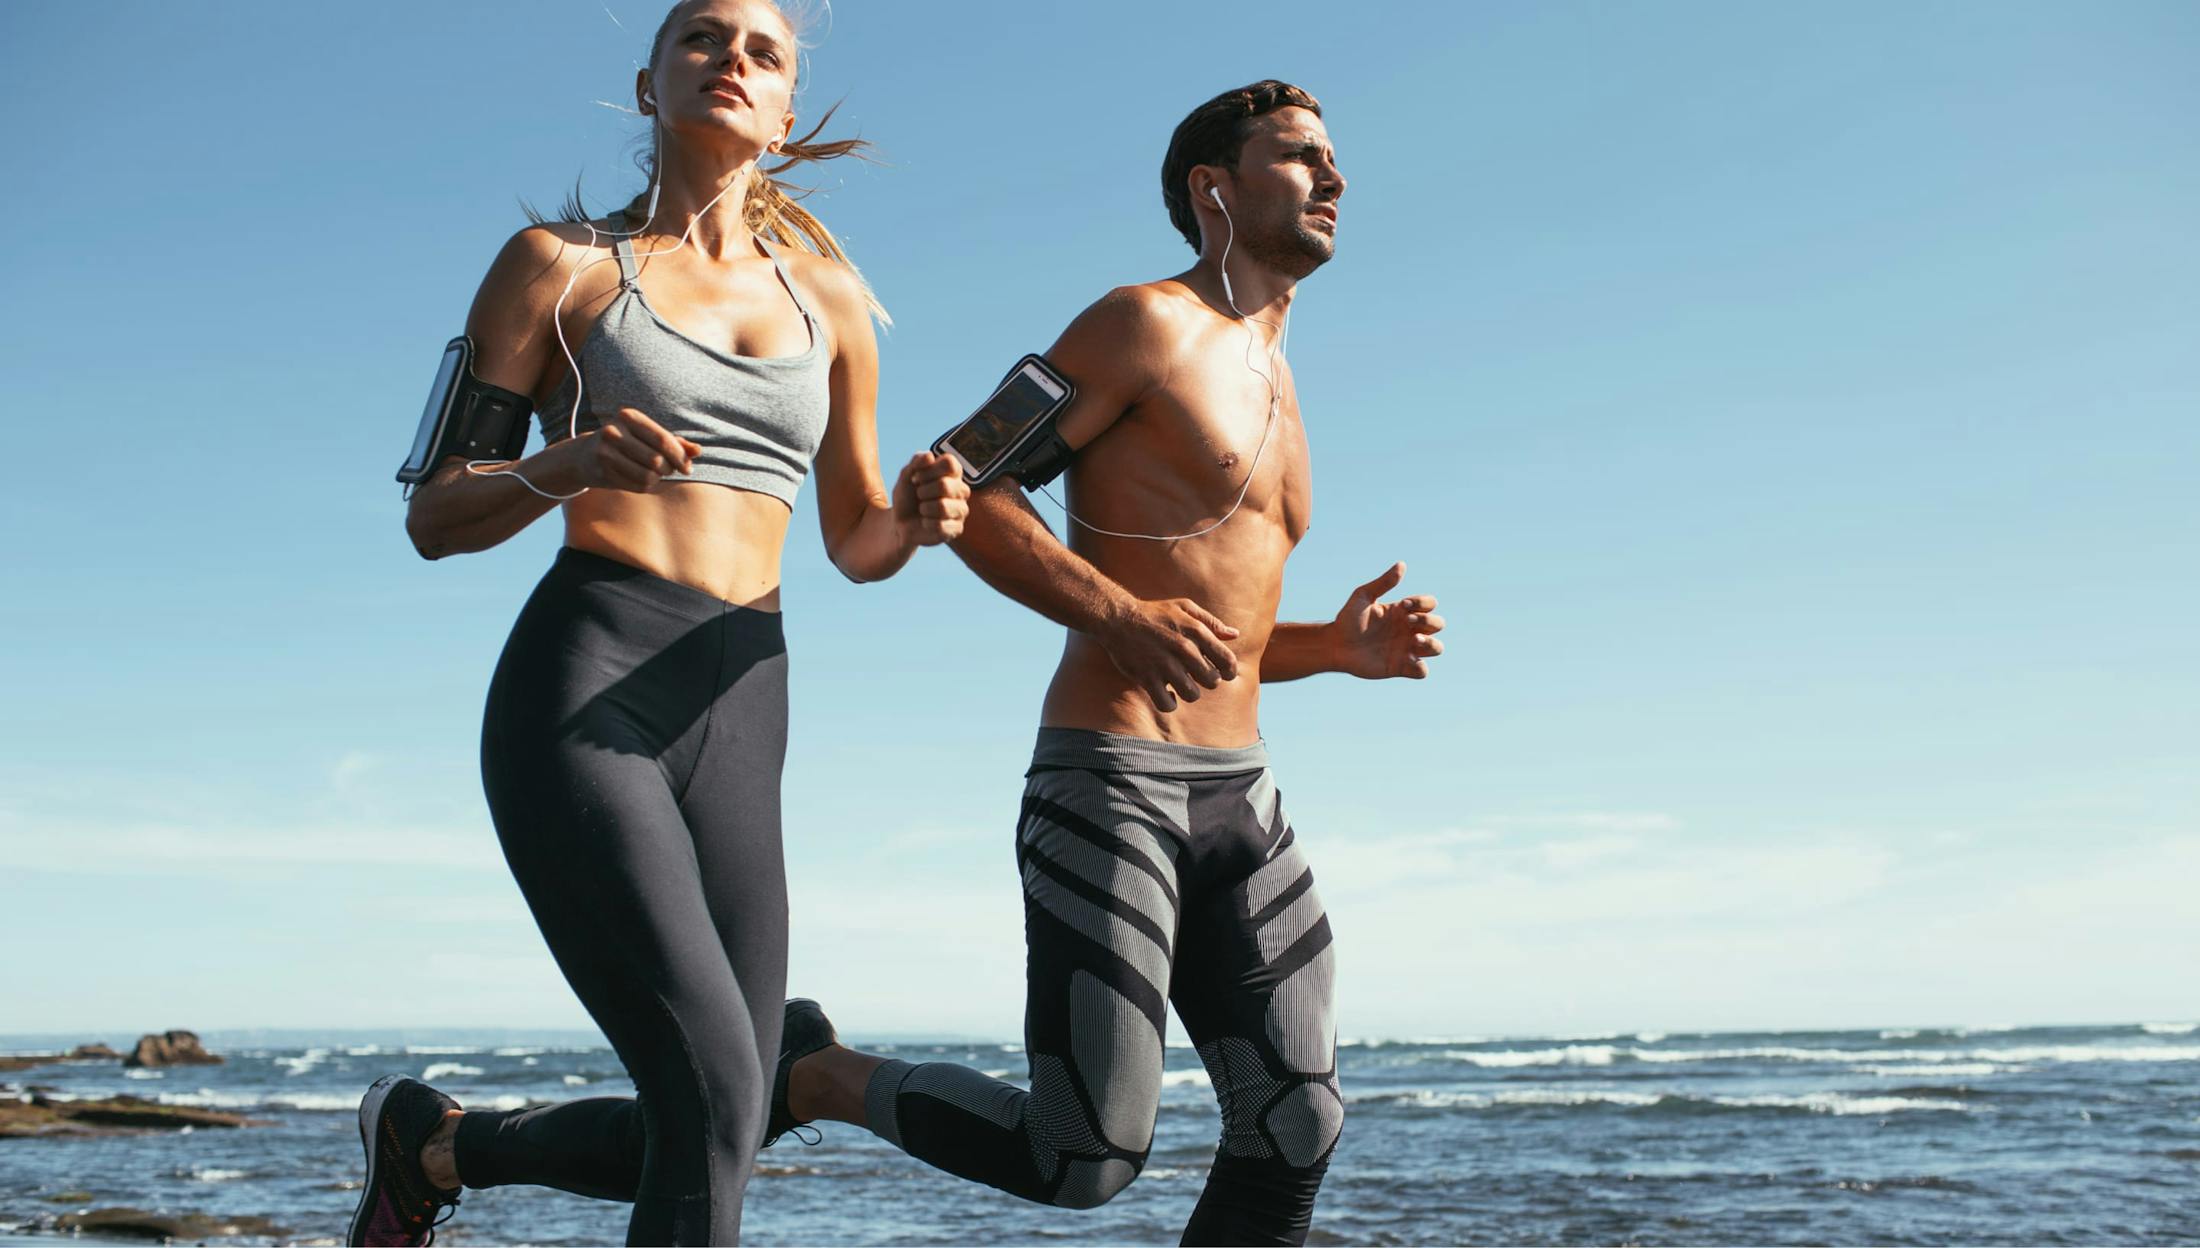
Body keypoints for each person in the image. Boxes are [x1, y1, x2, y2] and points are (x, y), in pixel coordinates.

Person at [768, 81, 1445, 1246]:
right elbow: (967, 485)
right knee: (1084, 1158)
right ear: (1212, 189)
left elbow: (1211, 638)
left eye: (1333, 160)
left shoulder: (1279, 375)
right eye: (1298, 158)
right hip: (1111, 781)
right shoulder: (1142, 324)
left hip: (1244, 793)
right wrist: (1120, 614)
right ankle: (818, 1076)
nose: (1332, 179)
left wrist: (1334, 651)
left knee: (1297, 1124)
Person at [347, 2, 969, 1245]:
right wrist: (567, 464)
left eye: (761, 51)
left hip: (746, 698)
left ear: (786, 113)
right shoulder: (558, 264)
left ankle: (435, 1149)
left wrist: (918, 516)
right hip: (589, 679)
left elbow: (854, 544)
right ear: (647, 86)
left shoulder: (833, 301)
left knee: (726, 1115)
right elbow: (436, 516)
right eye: (701, 38)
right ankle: (431, 1148)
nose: (730, 60)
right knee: (714, 1090)